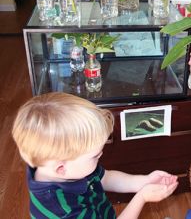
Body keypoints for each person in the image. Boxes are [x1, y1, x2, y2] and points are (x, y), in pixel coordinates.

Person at [12, 92, 179, 218]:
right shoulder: (64, 210)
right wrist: (141, 197)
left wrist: (145, 181)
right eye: (94, 156)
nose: (101, 154)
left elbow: (105, 178)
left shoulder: (62, 165)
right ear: (61, 168)